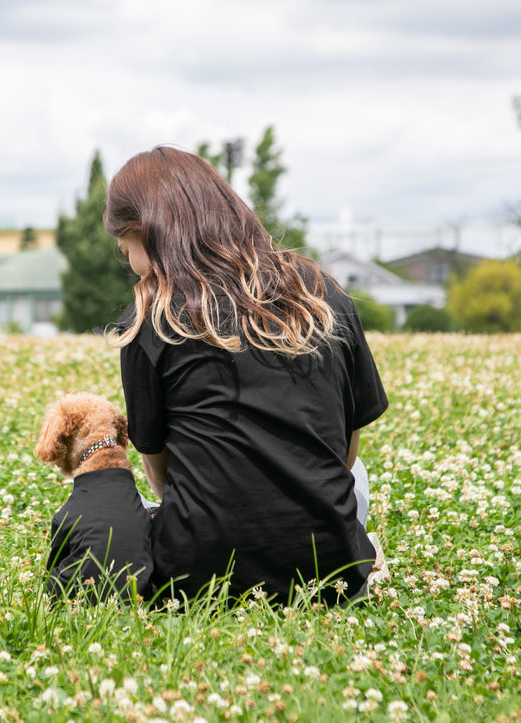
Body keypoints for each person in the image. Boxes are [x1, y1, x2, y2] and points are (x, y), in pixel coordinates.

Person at [106, 146, 388, 604]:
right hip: (330, 573)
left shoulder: (151, 315)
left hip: (195, 579)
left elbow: (160, 474)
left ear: (148, 231)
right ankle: (362, 553)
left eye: (128, 252)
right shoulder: (323, 293)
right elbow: (345, 451)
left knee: (116, 502)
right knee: (360, 477)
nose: (134, 268)